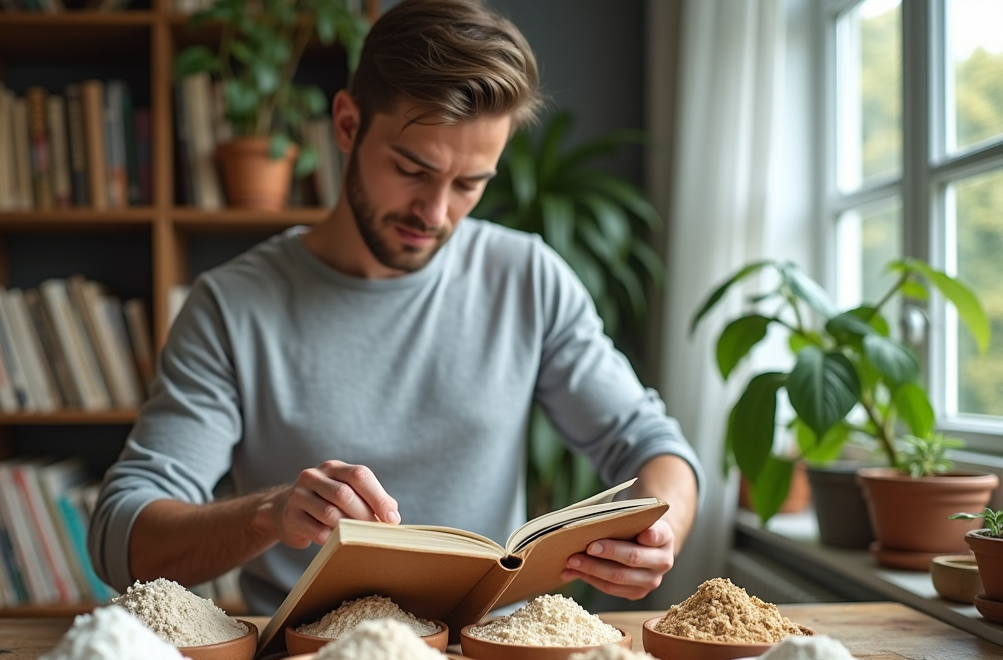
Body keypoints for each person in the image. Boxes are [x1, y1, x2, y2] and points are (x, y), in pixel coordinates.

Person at [88, 0, 702, 615]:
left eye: (469, 184)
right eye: (412, 169)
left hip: (489, 657)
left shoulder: (529, 278)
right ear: (348, 125)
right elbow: (121, 538)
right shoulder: (232, 306)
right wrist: (269, 514)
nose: (435, 215)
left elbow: (652, 445)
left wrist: (658, 528)